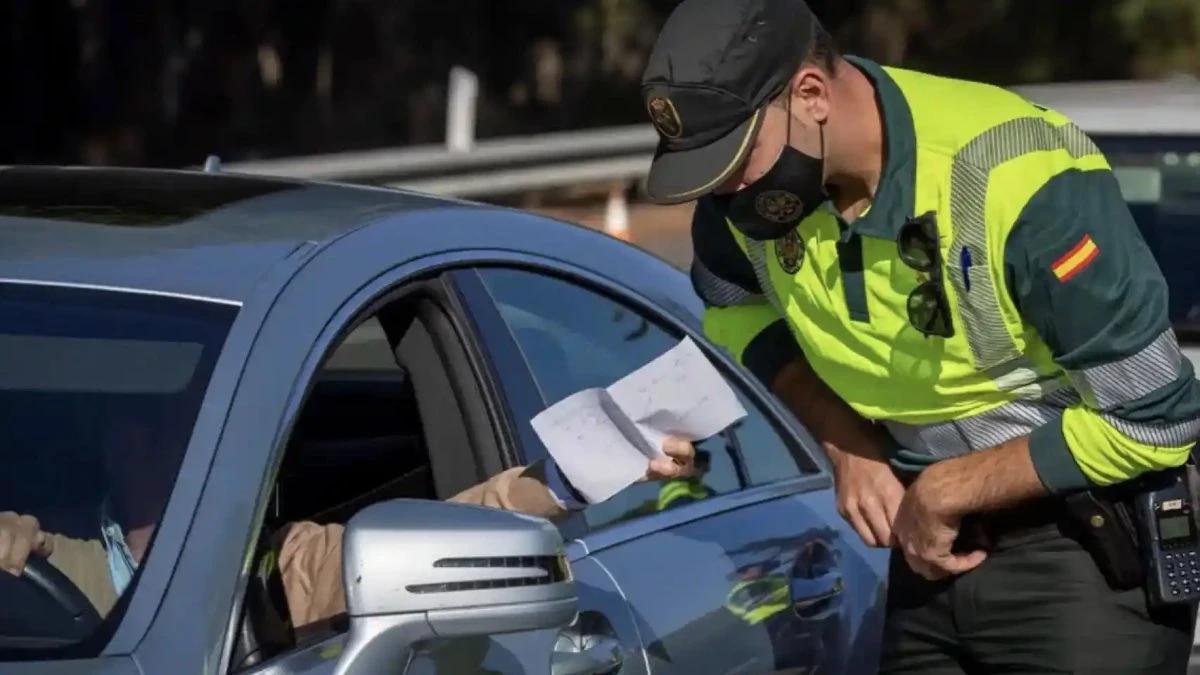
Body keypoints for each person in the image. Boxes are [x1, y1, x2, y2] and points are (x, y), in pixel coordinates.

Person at [641, 0, 1200, 672]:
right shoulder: (744, 202)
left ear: (811, 95)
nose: (726, 190)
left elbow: (1156, 420)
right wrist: (847, 442)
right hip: (922, 555)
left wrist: (949, 489)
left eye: (734, 157)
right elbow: (737, 315)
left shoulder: (1017, 175)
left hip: (1084, 555)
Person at [0, 413, 696, 631]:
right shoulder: (42, 556)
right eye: (149, 424)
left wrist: (578, 471)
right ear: (113, 446)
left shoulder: (279, 569)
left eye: (201, 419)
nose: (180, 442)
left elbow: (463, 524)